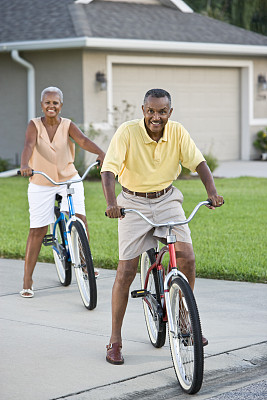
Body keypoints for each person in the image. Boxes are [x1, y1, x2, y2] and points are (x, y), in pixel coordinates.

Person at [101, 88, 224, 365]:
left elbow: (199, 163)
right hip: (132, 202)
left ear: (170, 112)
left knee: (187, 258)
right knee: (125, 271)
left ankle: (182, 321)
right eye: (151, 111)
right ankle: (115, 340)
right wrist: (112, 203)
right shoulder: (127, 132)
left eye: (162, 111)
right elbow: (108, 171)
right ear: (143, 110)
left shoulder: (177, 131)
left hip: (167, 199)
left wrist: (212, 192)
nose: (156, 117)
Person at [19, 86, 105, 298]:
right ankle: (27, 280)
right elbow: (29, 145)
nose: (51, 106)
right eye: (47, 102)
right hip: (41, 180)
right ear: (42, 105)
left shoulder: (67, 125)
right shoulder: (34, 125)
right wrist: (24, 164)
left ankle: (85, 264)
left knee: (80, 220)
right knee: (37, 230)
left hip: (69, 178)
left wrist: (102, 153)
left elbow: (83, 140)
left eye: (55, 102)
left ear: (61, 105)